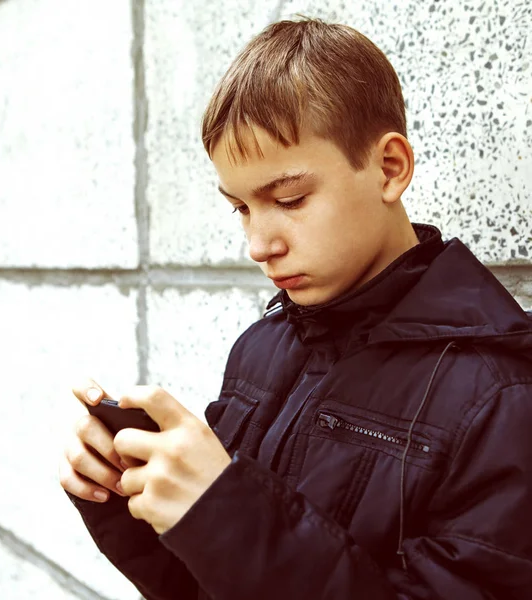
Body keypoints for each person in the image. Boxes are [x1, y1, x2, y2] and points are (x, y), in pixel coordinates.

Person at [59, 18, 532, 599]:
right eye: (241, 209)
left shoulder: (499, 396)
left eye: (289, 199)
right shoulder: (263, 345)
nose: (259, 245)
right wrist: (122, 496)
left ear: (389, 168)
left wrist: (225, 518)